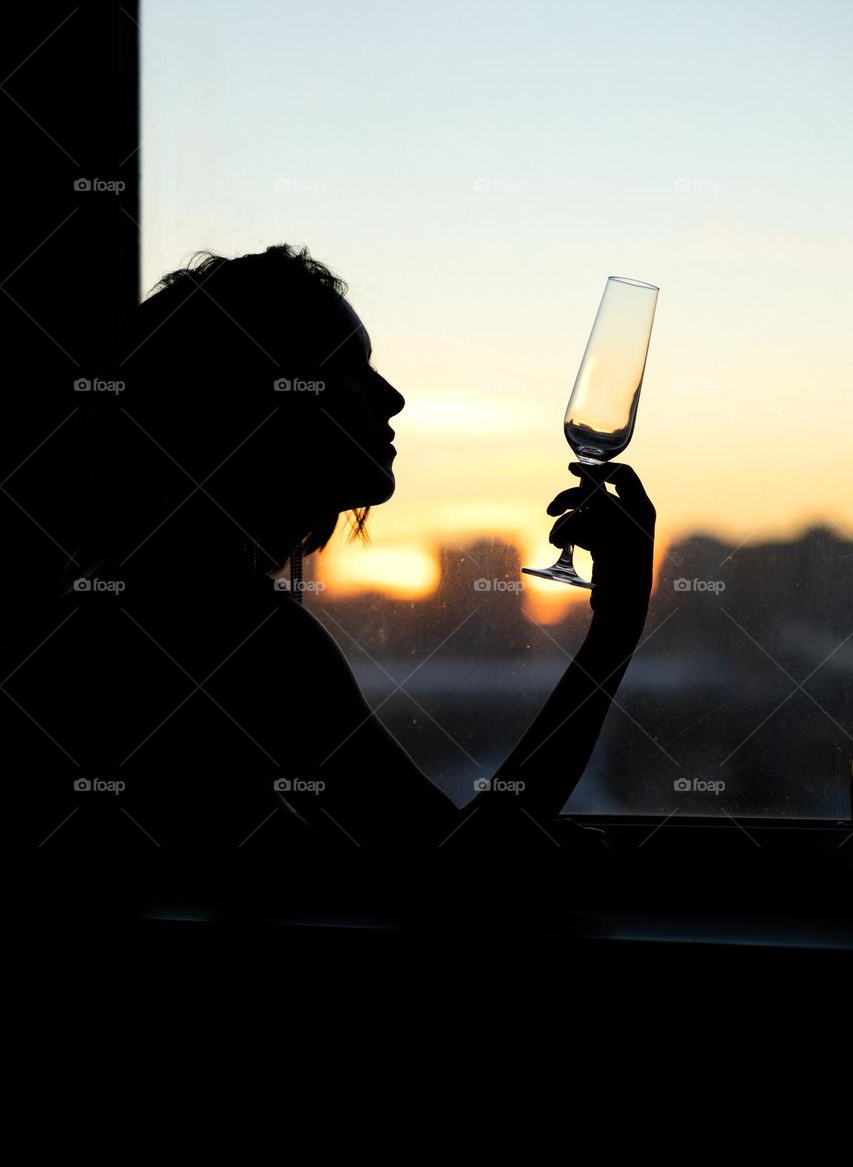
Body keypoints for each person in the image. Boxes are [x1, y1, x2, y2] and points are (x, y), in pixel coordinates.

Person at [10, 244, 656, 851]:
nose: (391, 398)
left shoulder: (140, 596)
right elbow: (441, 872)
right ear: (244, 404)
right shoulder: (228, 625)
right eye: (347, 370)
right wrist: (617, 622)